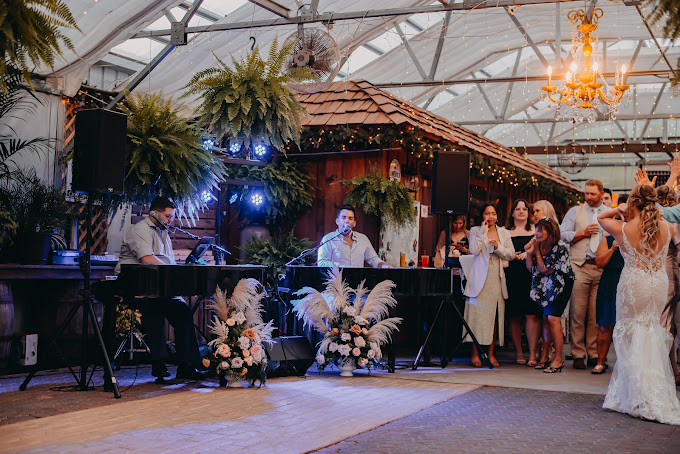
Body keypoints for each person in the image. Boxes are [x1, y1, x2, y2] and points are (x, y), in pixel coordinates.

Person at [598, 185, 680, 425]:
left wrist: (619, 208)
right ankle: (653, 391)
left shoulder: (623, 228)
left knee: (630, 334)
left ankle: (636, 395)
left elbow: (600, 217)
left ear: (633, 203)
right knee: (652, 332)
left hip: (635, 282)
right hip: (658, 282)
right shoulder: (667, 226)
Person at [116, 196, 204, 380]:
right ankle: (158, 364)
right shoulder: (140, 230)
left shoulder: (163, 233)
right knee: (154, 310)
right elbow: (147, 259)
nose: (171, 220)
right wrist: (174, 275)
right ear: (154, 214)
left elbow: (166, 262)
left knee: (183, 313)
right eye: (168, 216)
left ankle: (186, 365)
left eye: (172, 217)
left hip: (157, 286)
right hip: (136, 286)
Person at [460, 203, 515, 367]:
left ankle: (491, 353)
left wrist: (498, 247)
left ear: (497, 216)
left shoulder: (504, 232)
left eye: (493, 214)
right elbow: (474, 250)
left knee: (493, 317)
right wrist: (483, 232)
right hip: (478, 276)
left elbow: (510, 254)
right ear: (482, 215)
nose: (490, 217)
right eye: (487, 213)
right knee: (476, 316)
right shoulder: (476, 231)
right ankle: (475, 353)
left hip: (495, 275)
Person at [561, 178, 606, 369]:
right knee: (578, 312)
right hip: (579, 265)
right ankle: (578, 353)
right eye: (586, 193)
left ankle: (593, 353)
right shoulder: (575, 211)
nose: (588, 197)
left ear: (601, 194)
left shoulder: (608, 212)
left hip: (601, 267)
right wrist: (582, 233)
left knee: (595, 315)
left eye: (592, 194)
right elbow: (562, 233)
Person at [525, 217, 574, 373]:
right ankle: (544, 356)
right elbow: (530, 268)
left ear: (550, 231)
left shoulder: (559, 247)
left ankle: (558, 359)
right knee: (546, 319)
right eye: (536, 230)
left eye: (540, 230)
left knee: (553, 319)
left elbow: (546, 269)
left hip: (561, 284)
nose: (536, 233)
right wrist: (529, 253)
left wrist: (537, 251)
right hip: (545, 284)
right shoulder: (537, 245)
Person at [505, 199, 541, 366]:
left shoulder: (535, 231)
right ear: (512, 212)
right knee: (514, 315)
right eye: (517, 209)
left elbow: (543, 250)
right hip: (512, 275)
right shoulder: (505, 232)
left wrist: (529, 255)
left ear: (529, 212)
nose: (521, 211)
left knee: (532, 314)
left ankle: (532, 353)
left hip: (531, 275)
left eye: (524, 209)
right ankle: (519, 352)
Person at [656, 185, 680, 384]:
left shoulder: (651, 219)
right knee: (666, 323)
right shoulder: (672, 220)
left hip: (653, 271)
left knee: (661, 322)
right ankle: (664, 372)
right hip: (669, 272)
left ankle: (670, 369)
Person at [591, 232, 624, 374]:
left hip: (628, 281)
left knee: (629, 327)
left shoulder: (636, 238)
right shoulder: (609, 239)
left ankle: (626, 363)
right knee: (605, 324)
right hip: (609, 282)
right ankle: (600, 361)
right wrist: (612, 249)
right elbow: (599, 263)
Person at [318, 205, 388, 268]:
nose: (347, 221)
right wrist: (342, 267)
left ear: (354, 223)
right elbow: (322, 262)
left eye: (350, 218)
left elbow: (373, 259)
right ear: (337, 221)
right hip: (336, 281)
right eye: (343, 217)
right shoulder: (328, 239)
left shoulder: (363, 239)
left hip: (358, 281)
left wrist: (385, 266)